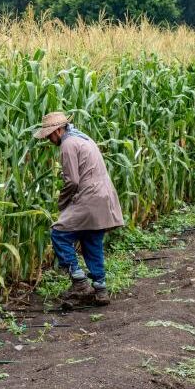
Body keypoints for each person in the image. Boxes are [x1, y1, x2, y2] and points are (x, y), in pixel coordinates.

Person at [33, 112, 124, 307]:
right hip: (104, 195)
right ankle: (100, 289)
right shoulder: (83, 138)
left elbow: (72, 181)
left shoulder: (67, 144)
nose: (49, 140)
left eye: (49, 135)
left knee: (58, 233)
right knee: (91, 238)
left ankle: (80, 281)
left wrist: (63, 203)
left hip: (89, 196)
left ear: (58, 130)